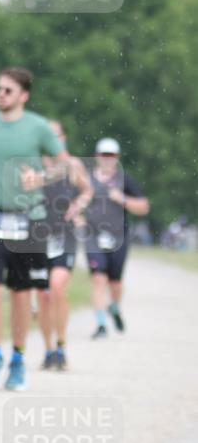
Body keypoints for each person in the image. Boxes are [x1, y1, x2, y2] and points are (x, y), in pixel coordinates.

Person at [0, 68, 69, 392]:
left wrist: (43, 178)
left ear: (23, 95)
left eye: (8, 90)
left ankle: (18, 358)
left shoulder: (38, 128)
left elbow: (65, 164)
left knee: (21, 293)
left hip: (28, 218)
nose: (0, 94)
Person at [36, 120, 92, 370]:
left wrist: (77, 206)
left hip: (64, 233)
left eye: (56, 135)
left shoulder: (72, 165)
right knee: (44, 295)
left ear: (63, 137)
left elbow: (87, 190)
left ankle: (61, 346)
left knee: (57, 287)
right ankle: (48, 350)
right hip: (38, 234)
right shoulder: (34, 163)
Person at [85, 138, 149, 338]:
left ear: (117, 158)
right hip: (93, 236)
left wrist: (122, 199)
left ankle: (114, 307)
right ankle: (101, 325)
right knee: (97, 278)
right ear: (97, 156)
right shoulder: (86, 180)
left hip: (118, 237)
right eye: (103, 155)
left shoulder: (125, 180)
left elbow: (144, 206)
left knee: (115, 283)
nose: (107, 159)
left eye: (111, 155)